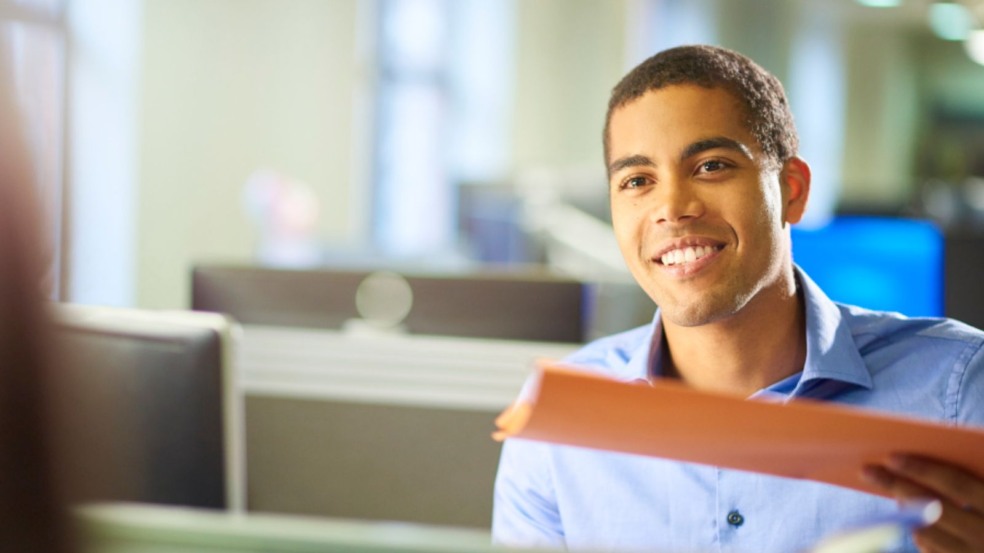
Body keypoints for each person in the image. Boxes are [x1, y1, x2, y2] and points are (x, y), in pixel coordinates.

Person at [492, 44, 984, 553]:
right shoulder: (556, 428)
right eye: (638, 180)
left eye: (711, 166)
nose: (673, 208)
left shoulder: (958, 391)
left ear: (791, 190)